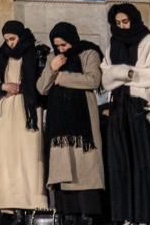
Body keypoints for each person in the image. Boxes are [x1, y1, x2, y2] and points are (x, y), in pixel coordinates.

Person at [100, 3, 150, 225]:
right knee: (121, 162)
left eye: (125, 22)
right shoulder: (113, 44)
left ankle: (147, 216)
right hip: (118, 107)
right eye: (117, 23)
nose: (121, 26)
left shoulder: (148, 41)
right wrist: (128, 72)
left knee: (143, 161)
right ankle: (125, 216)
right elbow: (106, 79)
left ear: (134, 20)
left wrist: (121, 73)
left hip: (140, 107)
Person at [37, 22, 105, 222]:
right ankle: (68, 214)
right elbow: (42, 88)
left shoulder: (89, 53)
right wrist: (51, 69)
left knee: (85, 169)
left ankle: (87, 214)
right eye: (57, 45)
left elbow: (93, 80)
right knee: (63, 169)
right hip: (60, 126)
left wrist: (62, 77)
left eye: (64, 45)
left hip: (83, 125)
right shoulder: (53, 58)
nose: (61, 49)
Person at [0, 21, 48, 214]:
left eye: (12, 38)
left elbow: (41, 84)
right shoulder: (1, 55)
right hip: (5, 110)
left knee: (28, 155)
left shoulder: (35, 52)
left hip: (27, 110)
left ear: (21, 35)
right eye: (7, 39)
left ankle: (31, 202)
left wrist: (23, 88)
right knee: (5, 156)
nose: (10, 43)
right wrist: (3, 86)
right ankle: (6, 202)